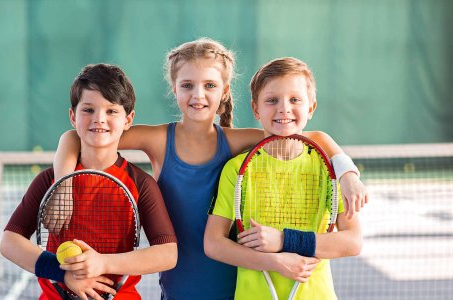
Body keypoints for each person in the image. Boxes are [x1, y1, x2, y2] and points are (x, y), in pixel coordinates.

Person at [51, 38, 367, 300]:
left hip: (238, 289)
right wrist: (63, 183)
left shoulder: (236, 143)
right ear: (174, 89)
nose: (198, 95)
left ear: (224, 91)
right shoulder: (159, 139)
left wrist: (346, 171)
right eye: (187, 85)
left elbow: (311, 138)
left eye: (210, 85)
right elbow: (75, 135)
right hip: (177, 290)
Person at [0, 63, 177, 300]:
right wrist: (61, 274)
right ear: (73, 116)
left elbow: (168, 253)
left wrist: (102, 263)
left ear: (128, 119)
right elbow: (9, 241)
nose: (99, 119)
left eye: (111, 111)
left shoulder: (140, 183)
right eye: (88, 110)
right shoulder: (51, 180)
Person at [204, 57, 362, 299]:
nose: (284, 108)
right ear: (256, 109)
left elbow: (352, 242)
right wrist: (274, 261)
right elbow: (214, 244)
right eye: (272, 100)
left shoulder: (330, 171)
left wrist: (284, 240)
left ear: (311, 107)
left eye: (295, 100)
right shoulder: (236, 170)